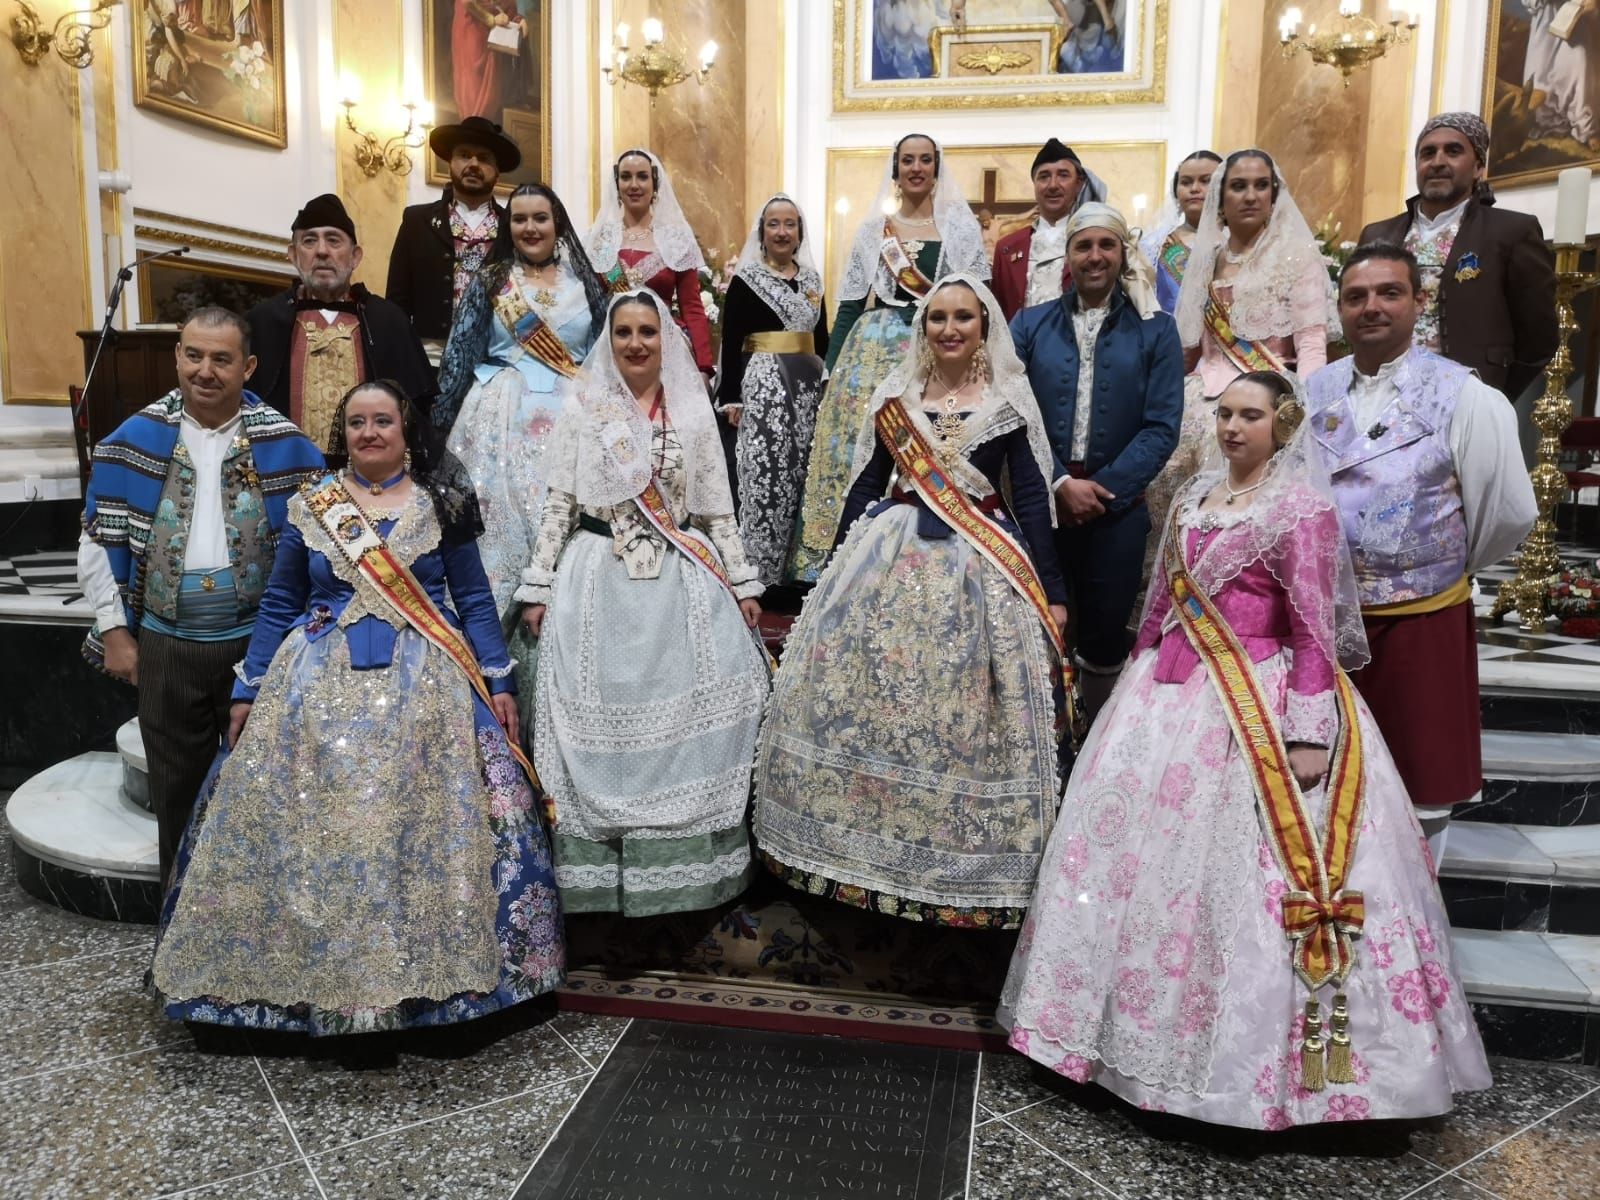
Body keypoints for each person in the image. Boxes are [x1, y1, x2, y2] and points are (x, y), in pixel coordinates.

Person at [1001, 370, 1492, 1127]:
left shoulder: (1301, 512)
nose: (1233, 428)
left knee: (1240, 878)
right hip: (1169, 699)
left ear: (1281, 425)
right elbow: (1164, 600)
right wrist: (1139, 679)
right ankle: (1109, 1036)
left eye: (1250, 416)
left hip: (1258, 698)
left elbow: (1312, 633)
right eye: (1225, 414)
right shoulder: (1196, 500)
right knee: (1138, 867)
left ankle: (1251, 1073)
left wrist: (1307, 730)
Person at [150, 380, 563, 1035]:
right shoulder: (315, 506)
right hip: (315, 688)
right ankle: (311, 982)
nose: (370, 432)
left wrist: (500, 680)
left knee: (420, 833)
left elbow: (476, 601)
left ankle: (435, 986)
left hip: (427, 689)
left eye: (383, 421)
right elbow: (281, 602)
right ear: (344, 433)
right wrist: (248, 688)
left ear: (406, 431)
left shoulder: (440, 504)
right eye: (358, 423)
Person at [754, 276, 1067, 928]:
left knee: (962, 711)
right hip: (889, 559)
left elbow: (1032, 499)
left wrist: (1054, 593)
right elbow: (868, 481)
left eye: (963, 318)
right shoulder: (895, 397)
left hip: (978, 570)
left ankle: (960, 868)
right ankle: (856, 857)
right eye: (938, 319)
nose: (949, 329)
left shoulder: (1009, 400)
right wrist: (833, 574)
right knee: (875, 695)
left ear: (984, 326)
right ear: (923, 328)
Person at [518, 290, 769, 916]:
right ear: (610, 340)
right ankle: (600, 877)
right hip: (595, 578)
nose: (636, 343)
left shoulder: (690, 413)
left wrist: (742, 582)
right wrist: (539, 583)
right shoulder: (587, 411)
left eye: (648, 333)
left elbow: (715, 509)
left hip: (678, 580)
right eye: (624, 332)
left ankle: (685, 872)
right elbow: (558, 506)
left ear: (667, 341)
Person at [76, 307, 324, 889]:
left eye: (221, 358)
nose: (204, 370)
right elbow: (95, 540)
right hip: (166, 642)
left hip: (258, 648)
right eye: (193, 355)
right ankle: (176, 942)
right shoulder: (132, 441)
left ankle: (257, 943)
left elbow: (318, 556)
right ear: (177, 357)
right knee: (177, 799)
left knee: (265, 800)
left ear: (249, 366)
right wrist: (114, 630)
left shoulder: (290, 449)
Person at [1307, 243, 1537, 862]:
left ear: (1419, 302)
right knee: (1326, 781)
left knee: (1419, 788)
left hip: (1421, 619)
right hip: (1327, 625)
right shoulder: (1311, 393)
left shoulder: (1464, 397)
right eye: (1355, 297)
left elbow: (1505, 510)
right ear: (1340, 309)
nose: (1371, 308)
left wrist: (1432, 563)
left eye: (1389, 293)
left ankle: (1416, 927)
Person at [1012, 203, 1183, 721]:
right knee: (1040, 621)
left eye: (1106, 245)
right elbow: (1014, 413)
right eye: (1083, 245)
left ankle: (1095, 741)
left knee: (1107, 631)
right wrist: (1061, 480)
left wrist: (1102, 491)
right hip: (1042, 502)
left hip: (1118, 508)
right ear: (1067, 255)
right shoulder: (1030, 324)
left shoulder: (1158, 330)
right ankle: (1045, 738)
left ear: (1122, 253)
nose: (1095, 256)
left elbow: (1161, 426)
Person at [792, 133, 989, 579]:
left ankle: (922, 549)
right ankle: (843, 553)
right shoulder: (872, 231)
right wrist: (832, 372)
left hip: (940, 347)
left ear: (936, 169)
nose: (916, 168)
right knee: (857, 449)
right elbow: (847, 307)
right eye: (907, 161)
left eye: (925, 160)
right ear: (895, 170)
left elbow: (981, 300)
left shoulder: (960, 231)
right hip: (873, 347)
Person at [434, 183, 609, 644]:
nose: (530, 228)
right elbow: (458, 357)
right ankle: (487, 650)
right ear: (508, 227)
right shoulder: (492, 281)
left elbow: (602, 358)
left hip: (572, 419)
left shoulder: (585, 283)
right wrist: (435, 435)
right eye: (520, 219)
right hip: (496, 424)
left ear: (558, 225)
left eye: (540, 218)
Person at [1359, 112, 1558, 399]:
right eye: (1428, 153)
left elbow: (1539, 338)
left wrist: (1492, 396)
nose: (1438, 161)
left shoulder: (1512, 232)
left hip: (1467, 399)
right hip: (1383, 395)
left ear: (1478, 167)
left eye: (1453, 151)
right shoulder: (1378, 235)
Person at [246, 194, 436, 450]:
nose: (322, 251)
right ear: (293, 255)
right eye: (309, 241)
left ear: (355, 256)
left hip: (368, 479)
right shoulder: (262, 322)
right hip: (285, 476)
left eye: (333, 240)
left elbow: (416, 414)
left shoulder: (389, 322)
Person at [715, 194, 829, 590]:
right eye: (774, 224)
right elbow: (730, 341)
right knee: (767, 475)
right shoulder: (747, 280)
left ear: (800, 232)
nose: (782, 232)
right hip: (763, 387)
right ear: (762, 232)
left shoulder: (813, 281)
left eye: (790, 224)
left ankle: (799, 575)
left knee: (804, 476)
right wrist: (733, 398)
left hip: (808, 389)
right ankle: (759, 572)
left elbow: (823, 339)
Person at [1176, 148, 1335, 402]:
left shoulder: (1297, 258)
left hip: (1269, 399)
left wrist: (1306, 411)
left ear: (1273, 196)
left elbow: (1311, 345)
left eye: (1261, 186)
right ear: (1220, 198)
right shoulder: (1206, 262)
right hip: (1202, 396)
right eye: (1238, 186)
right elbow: (1188, 350)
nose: (1251, 196)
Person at [387, 115, 519, 364]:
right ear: (450, 162)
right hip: (431, 358)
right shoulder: (417, 221)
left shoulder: (512, 226)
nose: (473, 164)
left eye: (484, 158)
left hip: (494, 359)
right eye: (464, 155)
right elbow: (397, 301)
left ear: (497, 171)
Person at [583, 149, 715, 378]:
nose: (634, 185)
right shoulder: (599, 241)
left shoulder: (676, 241)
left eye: (642, 176)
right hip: (611, 350)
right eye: (626, 177)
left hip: (664, 350)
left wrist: (703, 367)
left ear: (655, 183)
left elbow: (692, 307)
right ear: (617, 184)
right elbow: (587, 307)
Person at [991, 138, 1109, 322]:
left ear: (1079, 184)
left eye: (1063, 175)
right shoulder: (1007, 248)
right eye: (1044, 176)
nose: (1053, 185)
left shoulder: (1096, 243)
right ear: (1035, 185)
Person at [1138, 149, 1223, 315]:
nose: (1194, 188)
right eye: (1186, 182)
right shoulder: (1154, 245)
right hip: (1170, 339)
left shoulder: (1239, 243)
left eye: (1206, 181)